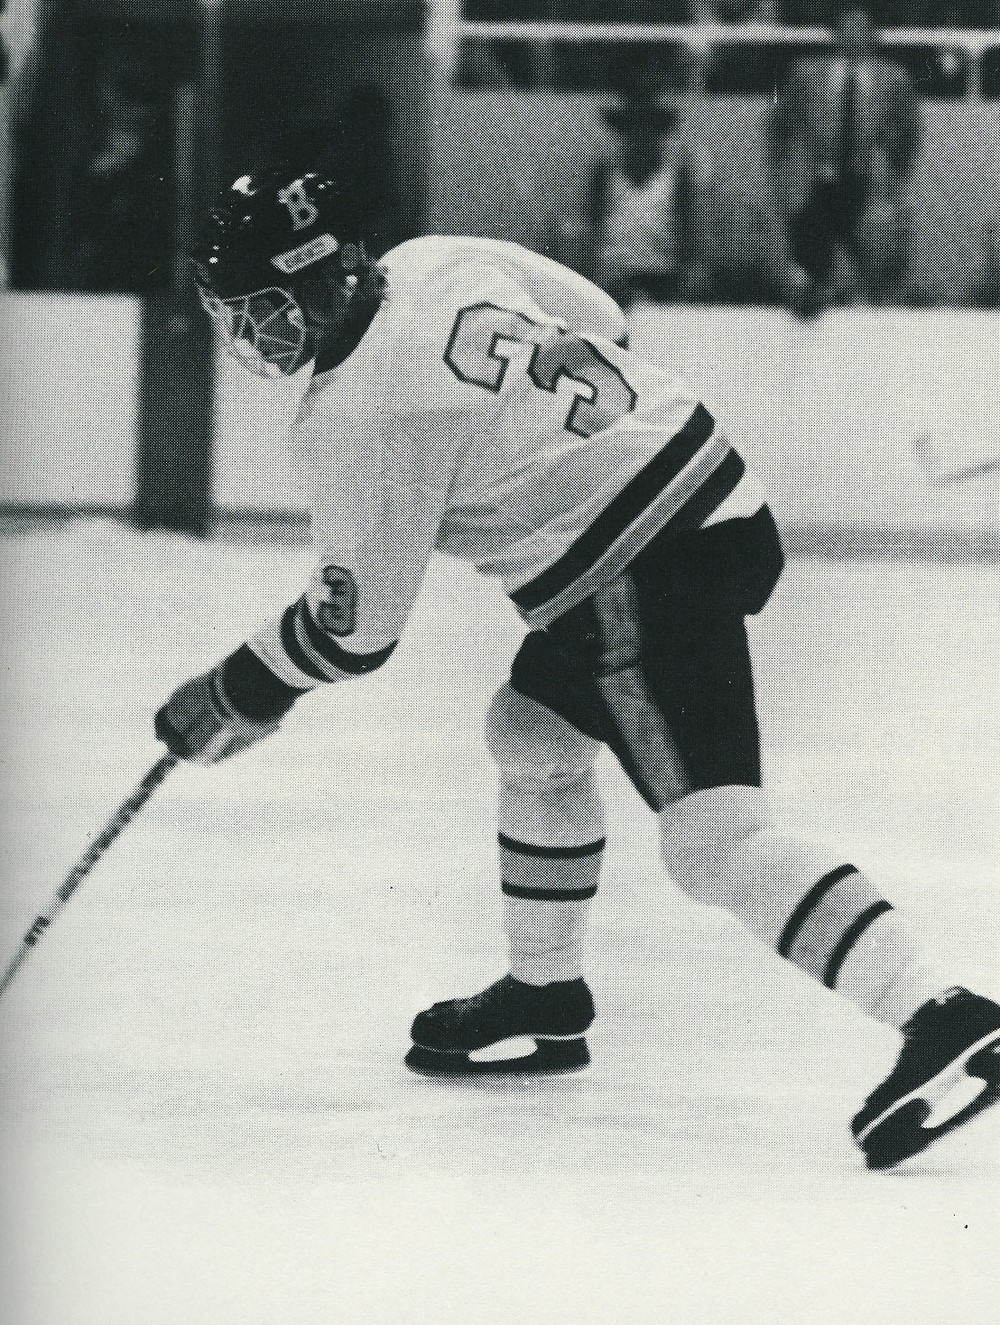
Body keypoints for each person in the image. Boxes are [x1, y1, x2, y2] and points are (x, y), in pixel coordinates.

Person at [155, 168, 1000, 1172]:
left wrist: (237, 688)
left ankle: (939, 1011)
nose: (252, 337)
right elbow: (600, 317)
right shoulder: (433, 258)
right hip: (706, 488)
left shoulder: (354, 419)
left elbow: (355, 633)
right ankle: (544, 991)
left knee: (713, 842)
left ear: (323, 280)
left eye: (261, 308)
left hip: (637, 570)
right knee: (529, 731)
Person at [768, 5, 922, 314]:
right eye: (848, 28)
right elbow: (780, 125)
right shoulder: (807, 73)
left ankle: (872, 316)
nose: (854, 35)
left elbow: (908, 132)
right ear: (836, 34)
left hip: (868, 183)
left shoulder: (894, 78)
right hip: (818, 179)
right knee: (811, 262)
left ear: (872, 35)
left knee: (874, 268)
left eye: (861, 29)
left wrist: (896, 178)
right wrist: (783, 174)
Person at [572, 93, 708, 311]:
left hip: (662, 279)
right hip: (612, 278)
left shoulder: (677, 176)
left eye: (650, 131)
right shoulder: (605, 173)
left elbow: (688, 233)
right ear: (622, 135)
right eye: (633, 131)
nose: (642, 138)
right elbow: (592, 230)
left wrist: (683, 280)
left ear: (661, 136)